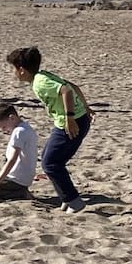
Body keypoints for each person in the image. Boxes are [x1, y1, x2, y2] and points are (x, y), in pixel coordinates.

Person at [6, 47, 93, 213]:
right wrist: (85, 107)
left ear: (22, 70)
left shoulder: (40, 82)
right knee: (49, 159)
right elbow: (72, 86)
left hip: (71, 123)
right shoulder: (42, 76)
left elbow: (66, 91)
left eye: (13, 69)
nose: (13, 73)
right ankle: (66, 199)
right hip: (71, 121)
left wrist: (70, 117)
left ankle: (74, 201)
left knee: (50, 163)